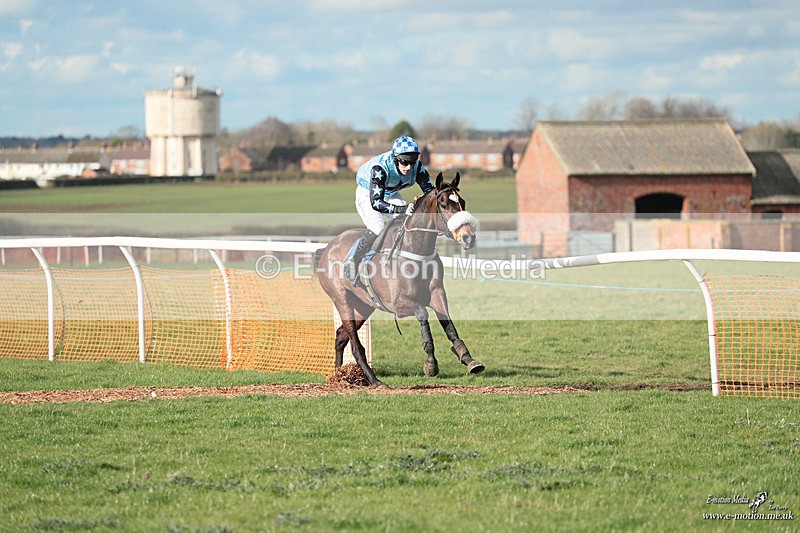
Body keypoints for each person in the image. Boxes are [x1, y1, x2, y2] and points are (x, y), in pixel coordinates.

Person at [344, 135, 435, 284]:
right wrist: (403, 208)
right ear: (395, 158)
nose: (408, 167)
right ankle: (352, 261)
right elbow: (377, 204)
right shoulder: (379, 168)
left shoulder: (417, 167)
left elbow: (431, 194)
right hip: (368, 193)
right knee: (377, 226)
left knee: (407, 223)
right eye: (404, 162)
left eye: (412, 162)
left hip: (390, 192)